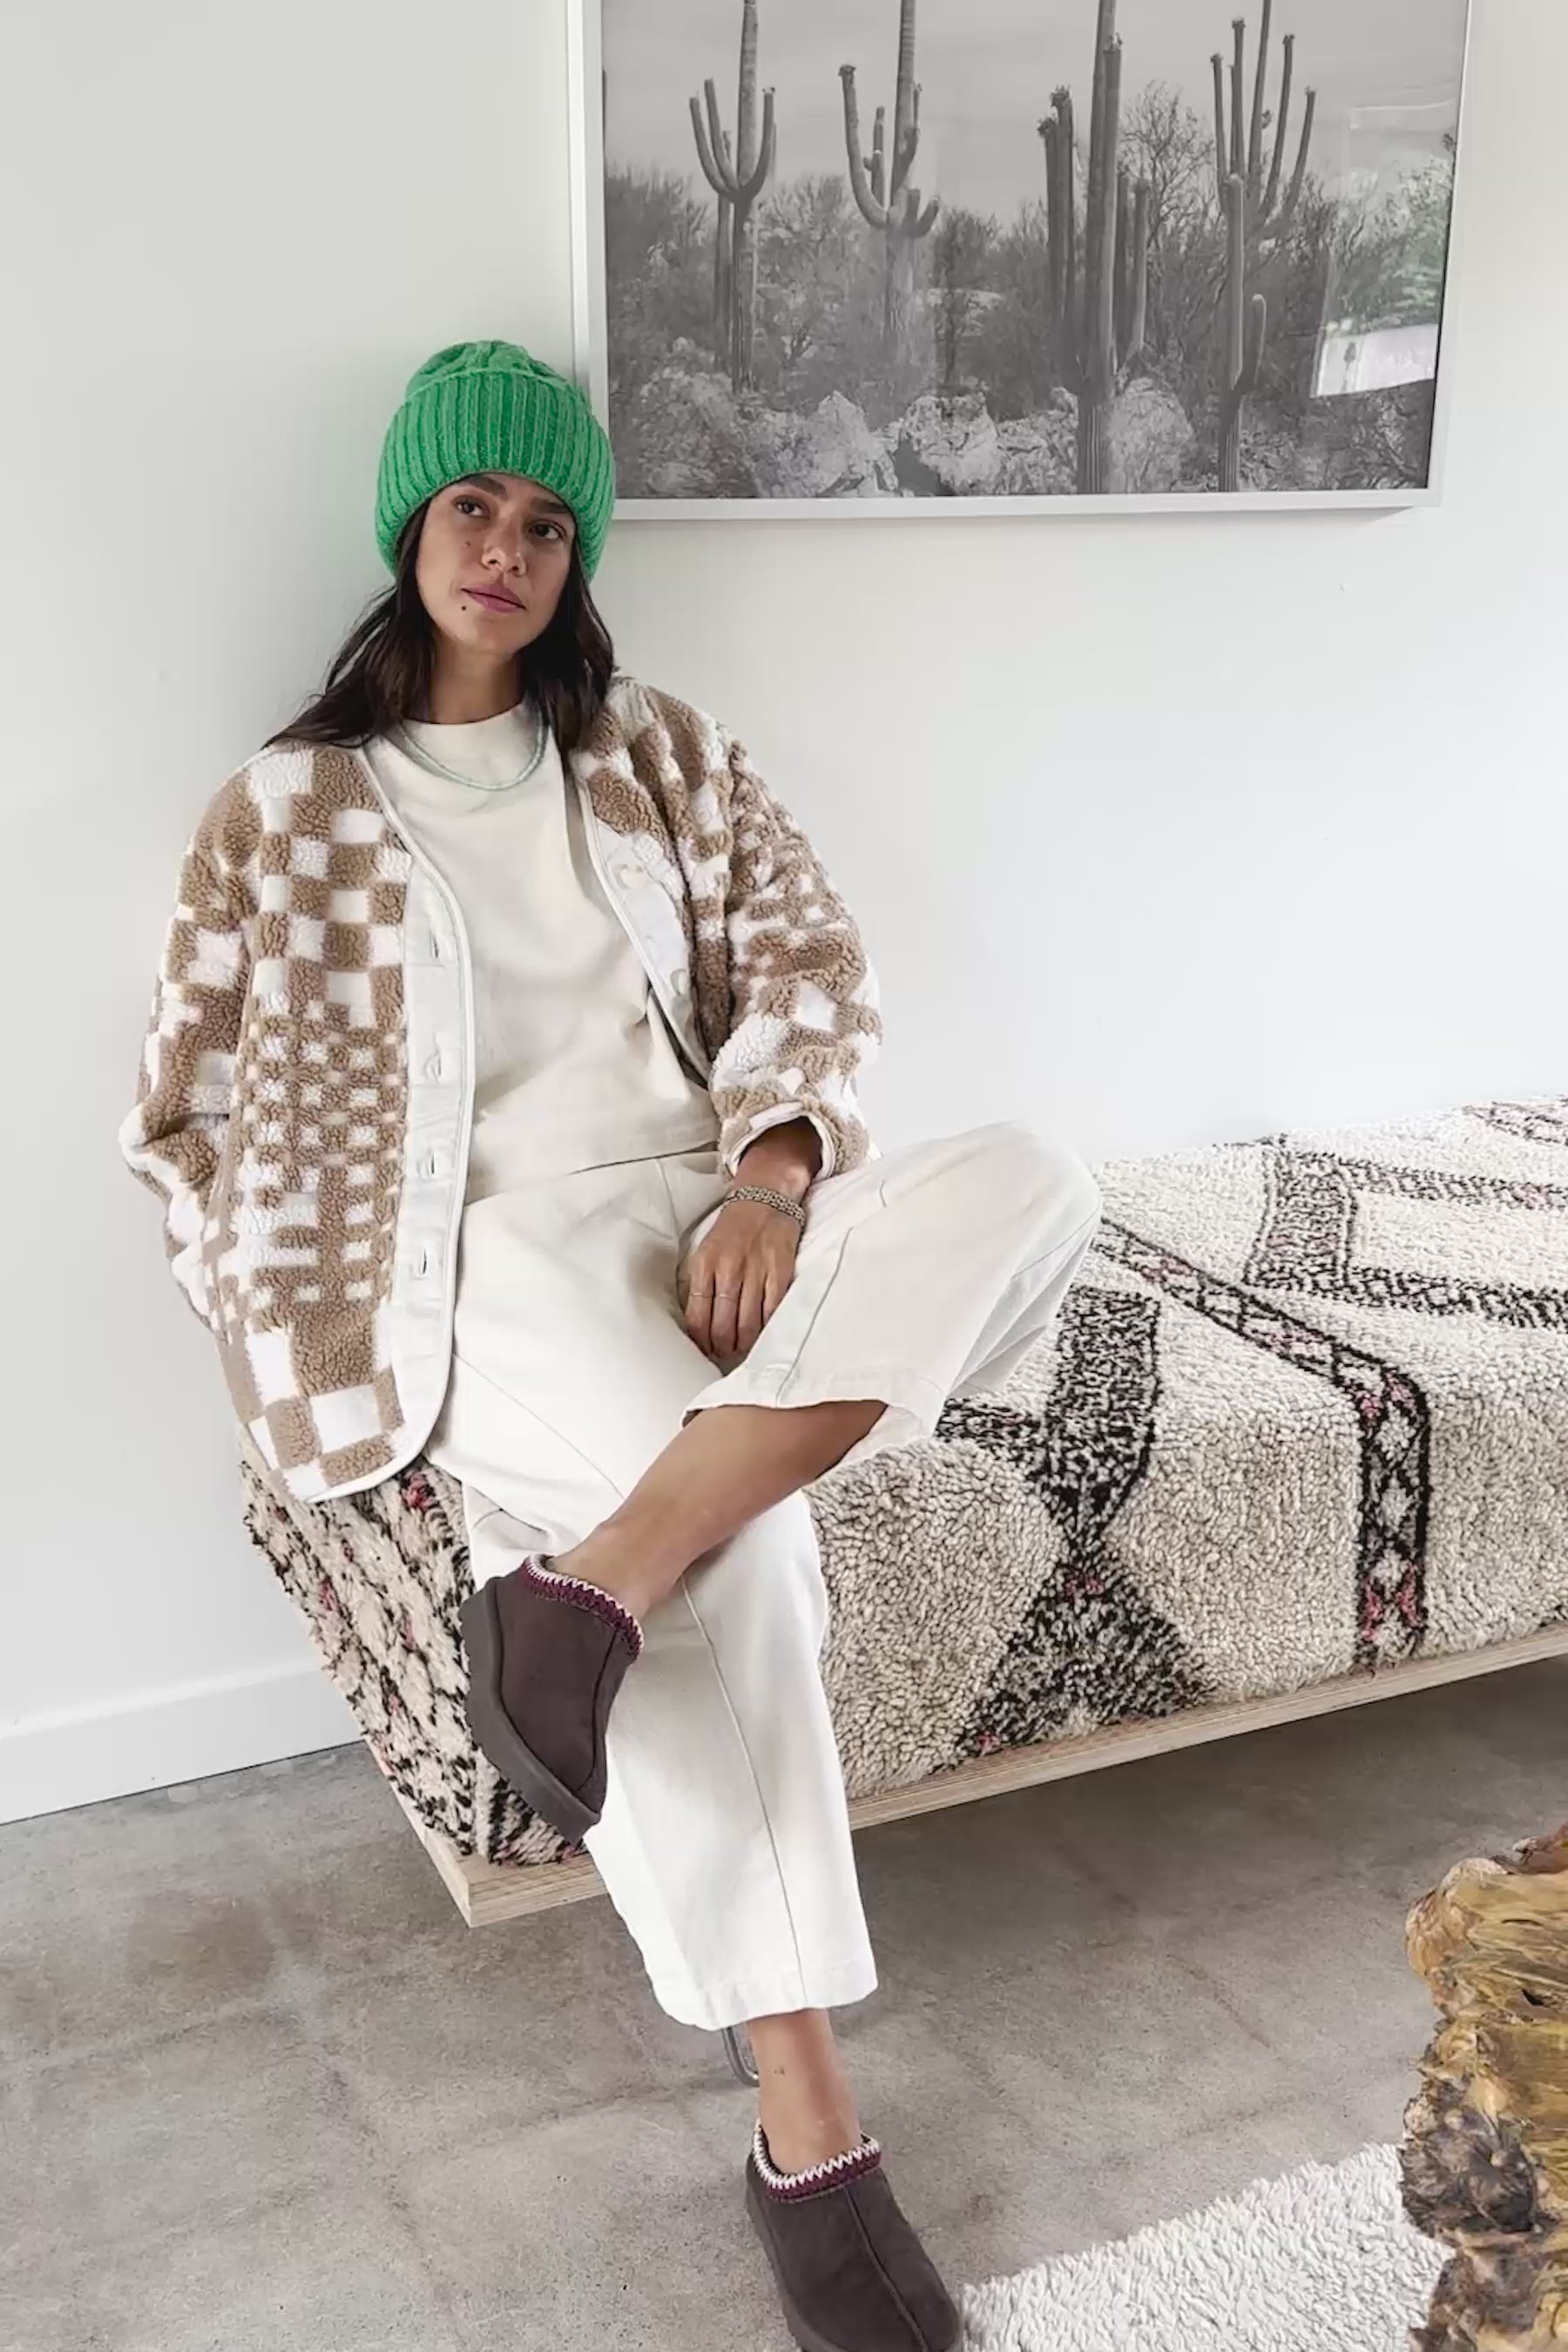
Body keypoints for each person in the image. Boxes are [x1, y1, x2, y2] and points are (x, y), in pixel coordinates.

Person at [119, 338, 1101, 2352]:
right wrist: (298, 1299)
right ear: (410, 527)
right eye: (475, 507)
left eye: (550, 524)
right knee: (759, 1569)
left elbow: (810, 960)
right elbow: (182, 1118)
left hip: (713, 1215)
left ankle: (581, 1592)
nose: (508, 548)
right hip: (487, 1254)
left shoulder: (660, 751)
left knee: (1039, 1177)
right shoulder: (282, 811)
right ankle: (811, 2136)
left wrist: (770, 1177)